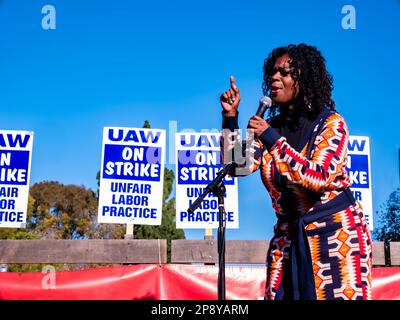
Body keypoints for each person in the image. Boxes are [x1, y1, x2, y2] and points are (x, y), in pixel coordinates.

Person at [220, 43, 373, 300]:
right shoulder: (271, 127)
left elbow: (318, 176)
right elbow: (237, 166)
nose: (275, 78)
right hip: (288, 239)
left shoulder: (331, 123)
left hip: (336, 239)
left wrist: (271, 138)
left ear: (304, 79)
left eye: (285, 72)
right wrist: (230, 118)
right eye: (272, 73)